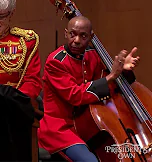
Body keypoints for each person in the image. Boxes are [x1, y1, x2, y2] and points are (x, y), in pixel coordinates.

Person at [37, 15, 140, 162]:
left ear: (91, 36)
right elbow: (76, 95)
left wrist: (124, 70)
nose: (77, 40)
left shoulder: (93, 55)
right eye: (72, 34)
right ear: (66, 33)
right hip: (61, 130)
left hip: (90, 126)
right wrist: (111, 76)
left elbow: (111, 85)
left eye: (83, 36)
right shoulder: (55, 62)